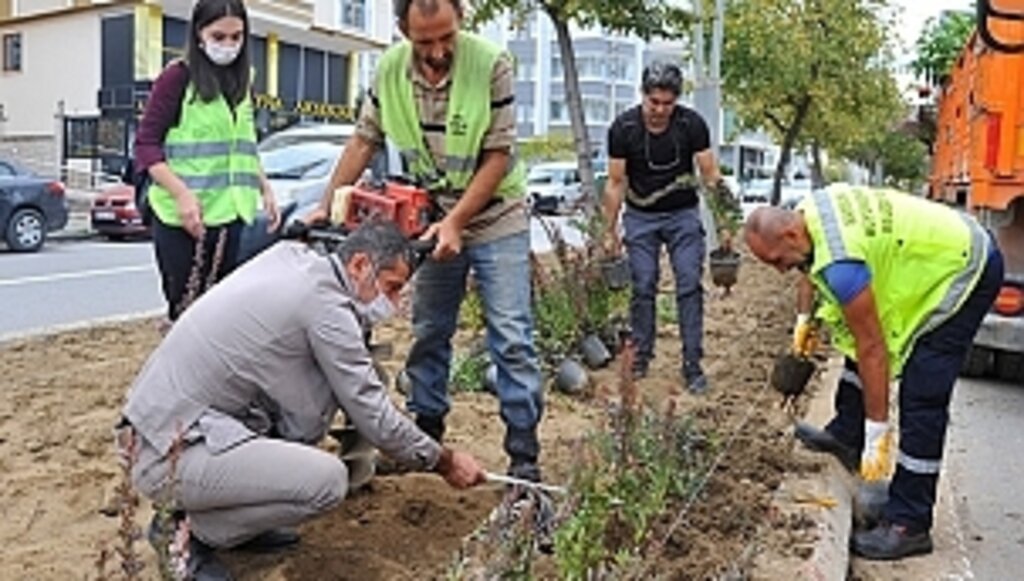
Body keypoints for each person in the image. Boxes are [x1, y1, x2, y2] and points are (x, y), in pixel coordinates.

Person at [119, 221, 487, 580]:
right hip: (167, 452)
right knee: (325, 482)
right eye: (391, 288)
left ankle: (234, 524)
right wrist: (444, 461)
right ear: (359, 264)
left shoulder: (293, 260)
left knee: (307, 420)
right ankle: (184, 533)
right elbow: (373, 414)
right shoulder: (326, 308)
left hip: (160, 424)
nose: (392, 303)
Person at [312, 0, 544, 482]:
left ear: (461, 20)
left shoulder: (492, 65)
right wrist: (328, 202)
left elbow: (498, 155)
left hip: (495, 213)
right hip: (431, 214)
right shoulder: (389, 71)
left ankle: (524, 459)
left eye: (447, 38)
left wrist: (458, 221)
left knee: (512, 336)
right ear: (402, 31)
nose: (438, 52)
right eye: (424, 42)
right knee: (429, 329)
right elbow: (362, 141)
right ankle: (428, 433)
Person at [744, 186, 1003, 560]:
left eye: (777, 260)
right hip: (921, 251)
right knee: (850, 330)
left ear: (789, 234)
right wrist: (804, 322)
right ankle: (846, 435)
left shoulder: (842, 265)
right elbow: (805, 268)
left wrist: (877, 436)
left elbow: (873, 350)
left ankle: (909, 523)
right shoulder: (805, 219)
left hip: (964, 267)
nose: (781, 269)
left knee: (923, 387)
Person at [134, 0, 280, 323]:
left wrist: (265, 188)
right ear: (199, 35)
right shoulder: (177, 78)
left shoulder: (243, 81)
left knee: (220, 314)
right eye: (218, 37)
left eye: (236, 37)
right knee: (187, 314)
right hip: (181, 218)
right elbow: (146, 145)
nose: (228, 46)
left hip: (230, 214)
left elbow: (241, 145)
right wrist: (181, 193)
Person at [602, 61, 735, 391]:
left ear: (675, 101)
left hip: (682, 215)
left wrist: (725, 223)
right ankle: (642, 355)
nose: (660, 110)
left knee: (689, 282)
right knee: (643, 283)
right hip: (640, 216)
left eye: (667, 103)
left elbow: (710, 175)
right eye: (653, 102)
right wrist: (608, 231)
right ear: (643, 96)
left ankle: (692, 363)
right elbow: (616, 182)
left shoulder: (692, 125)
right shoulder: (623, 128)